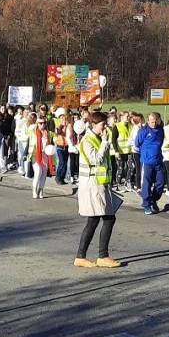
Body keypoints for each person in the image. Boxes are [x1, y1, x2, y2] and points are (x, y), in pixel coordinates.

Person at [75, 111, 121, 269]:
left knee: (94, 220)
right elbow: (96, 159)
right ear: (94, 125)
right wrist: (104, 143)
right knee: (107, 219)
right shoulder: (87, 141)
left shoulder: (99, 138)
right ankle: (102, 256)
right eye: (103, 125)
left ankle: (82, 256)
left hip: (100, 185)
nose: (105, 128)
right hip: (91, 186)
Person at [134, 112, 166, 215]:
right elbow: (136, 143)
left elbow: (161, 141)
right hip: (147, 161)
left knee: (161, 183)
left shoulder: (160, 129)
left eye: (155, 121)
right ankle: (146, 204)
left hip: (158, 161)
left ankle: (154, 199)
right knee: (146, 184)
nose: (154, 123)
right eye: (152, 122)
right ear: (148, 121)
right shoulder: (144, 130)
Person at [26, 116, 54, 199]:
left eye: (44, 123)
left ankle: (40, 189)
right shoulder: (33, 132)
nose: (43, 124)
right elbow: (27, 140)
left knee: (44, 174)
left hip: (45, 155)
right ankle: (34, 189)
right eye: (40, 123)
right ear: (37, 124)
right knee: (38, 172)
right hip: (36, 155)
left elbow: (53, 140)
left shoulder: (48, 133)